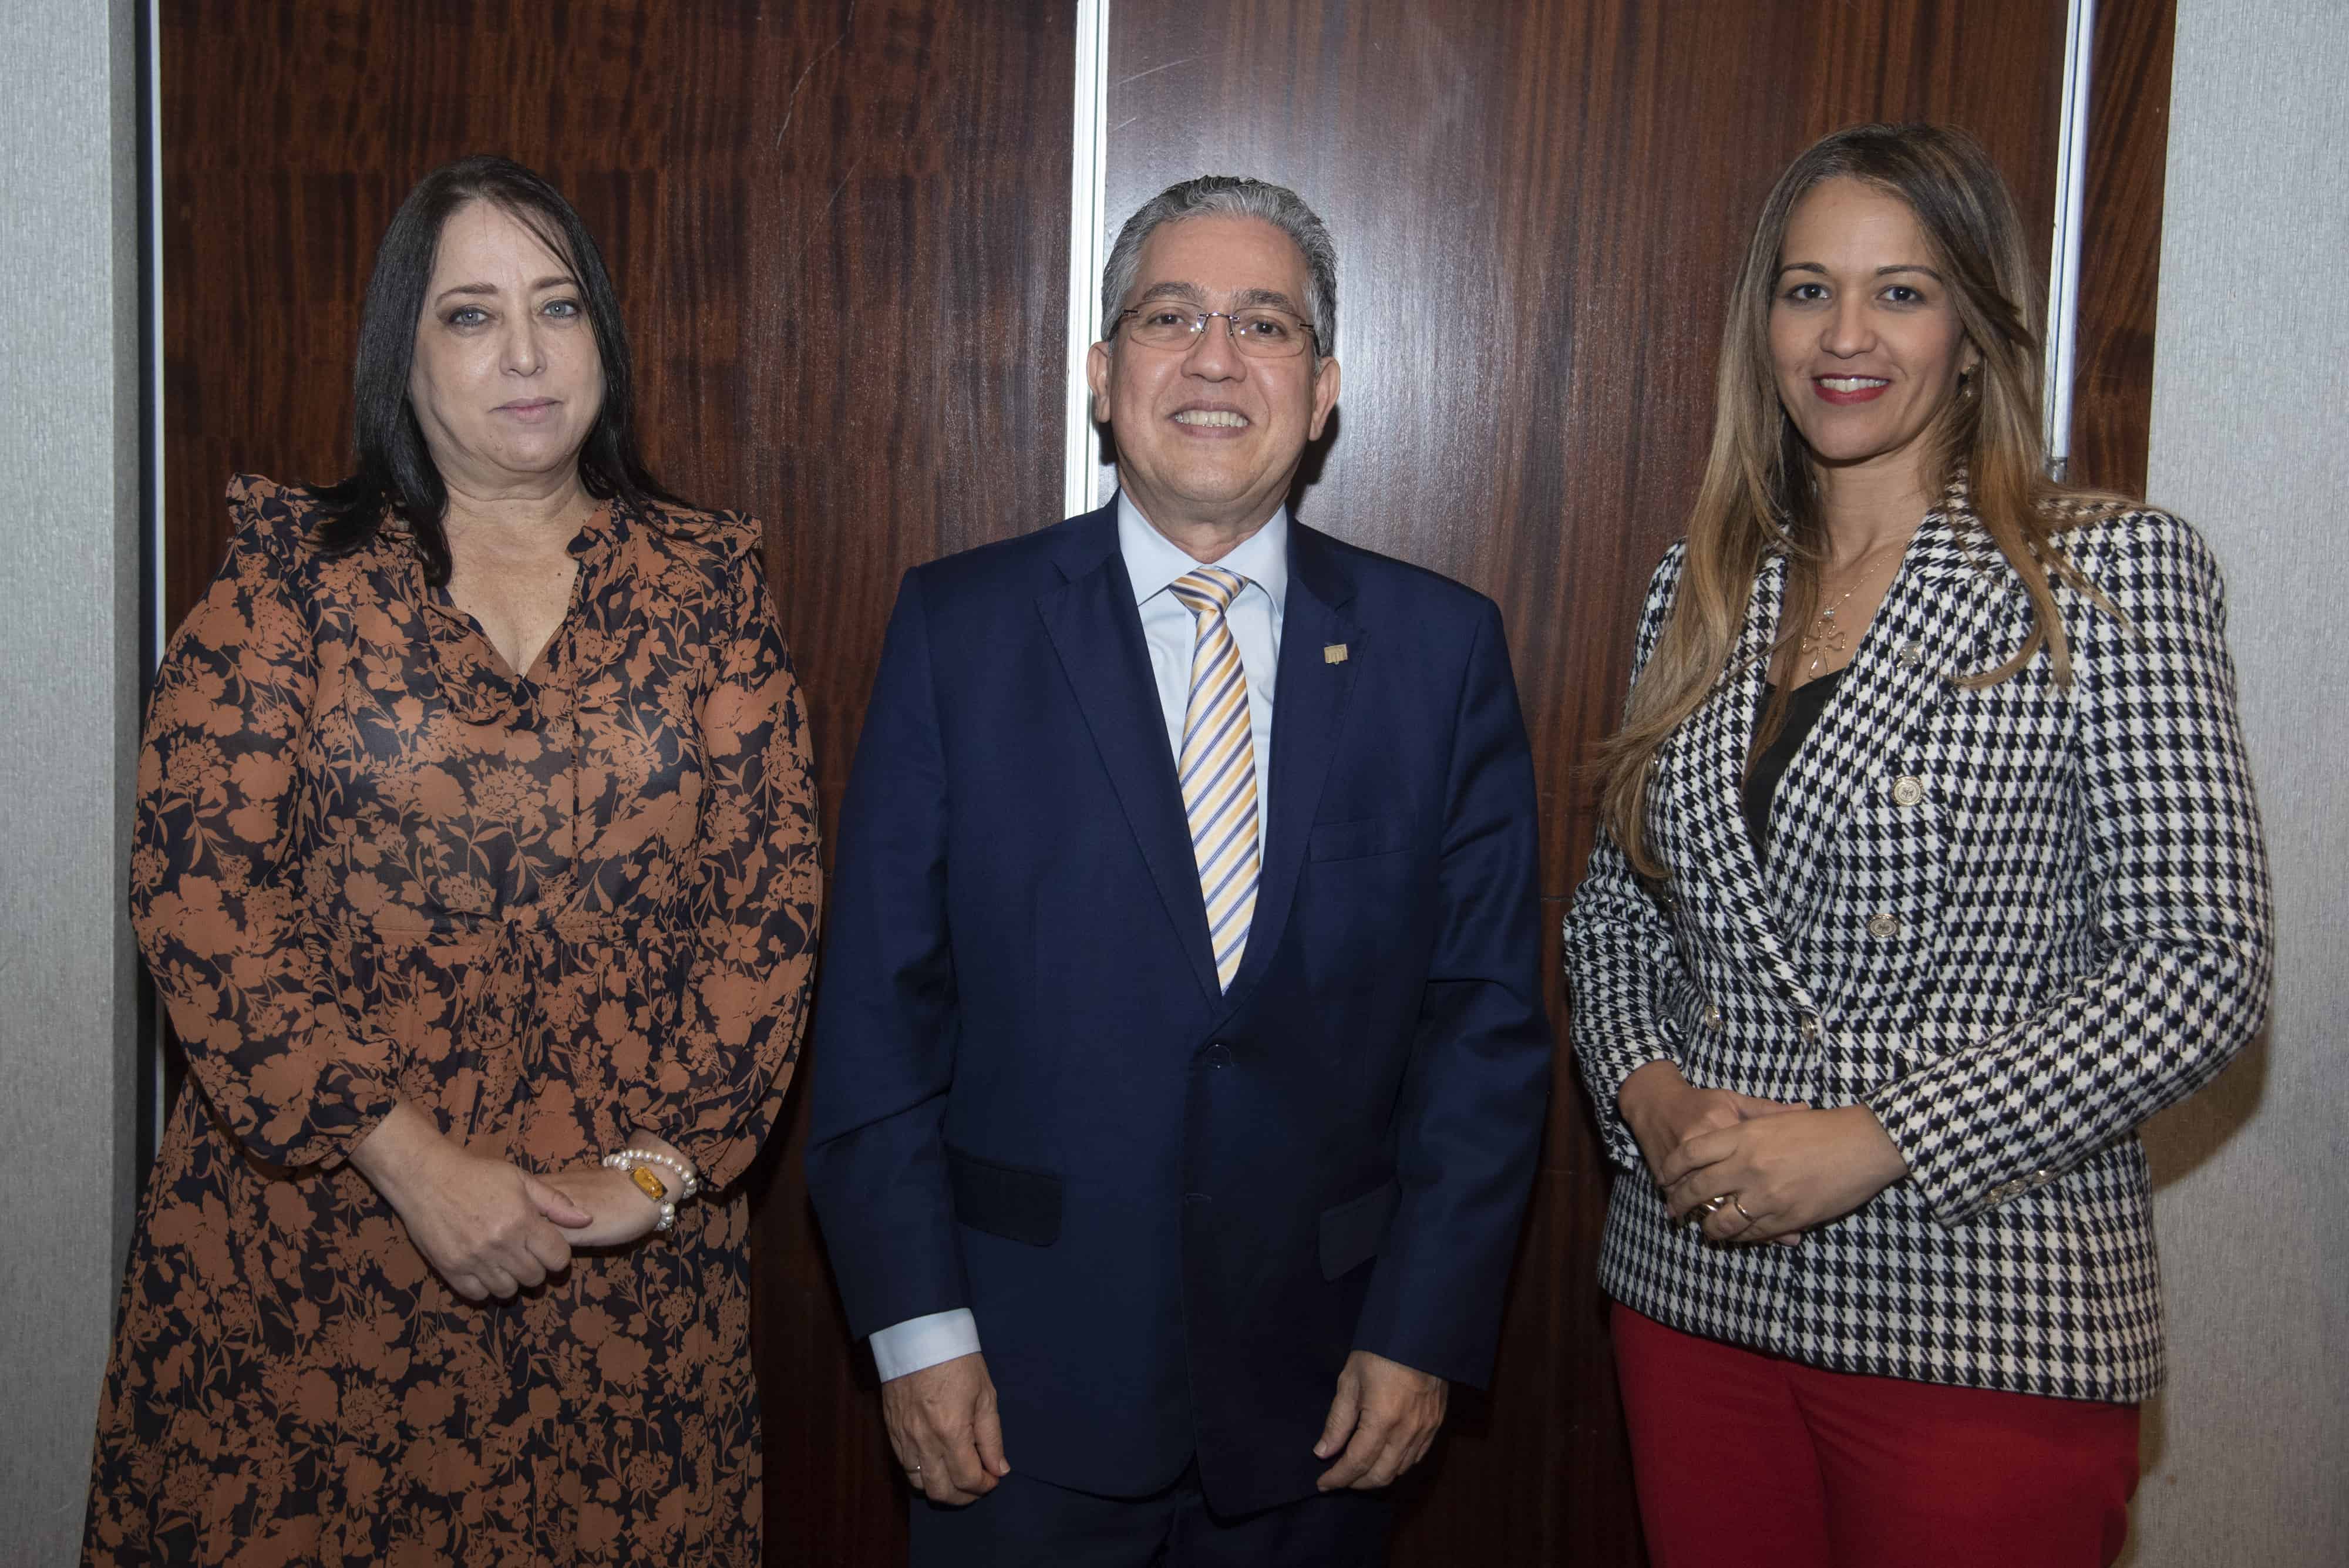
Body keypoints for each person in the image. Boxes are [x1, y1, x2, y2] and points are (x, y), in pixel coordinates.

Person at [83, 156, 819, 1566]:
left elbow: (767, 910)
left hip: (613, 1288)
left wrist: (659, 1176)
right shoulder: (288, 577)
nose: (528, 355)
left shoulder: (709, 587)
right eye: (471, 315)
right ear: (403, 354)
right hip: (319, 1262)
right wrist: (415, 1165)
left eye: (558, 307)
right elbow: (201, 902)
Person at [805, 174, 1550, 1565]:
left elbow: (1483, 1032)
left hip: (1324, 1394)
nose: (1214, 357)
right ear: (1103, 374)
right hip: (1011, 1397)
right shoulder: (956, 631)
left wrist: (1421, 1325)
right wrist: (912, 1331)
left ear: (1321, 389)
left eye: (1262, 324)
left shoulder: (1437, 653)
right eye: (1170, 317)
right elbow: (877, 1018)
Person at [1563, 122, 2272, 1568]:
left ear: (1972, 331)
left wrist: (1881, 1140)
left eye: (1900, 291)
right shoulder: (1696, 591)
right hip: (1693, 1295)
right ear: (1760, 325)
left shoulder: (2103, 571)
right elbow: (1614, 920)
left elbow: (2198, 965)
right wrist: (1644, 1100)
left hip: (1976, 1306)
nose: (1844, 335)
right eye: (1806, 288)